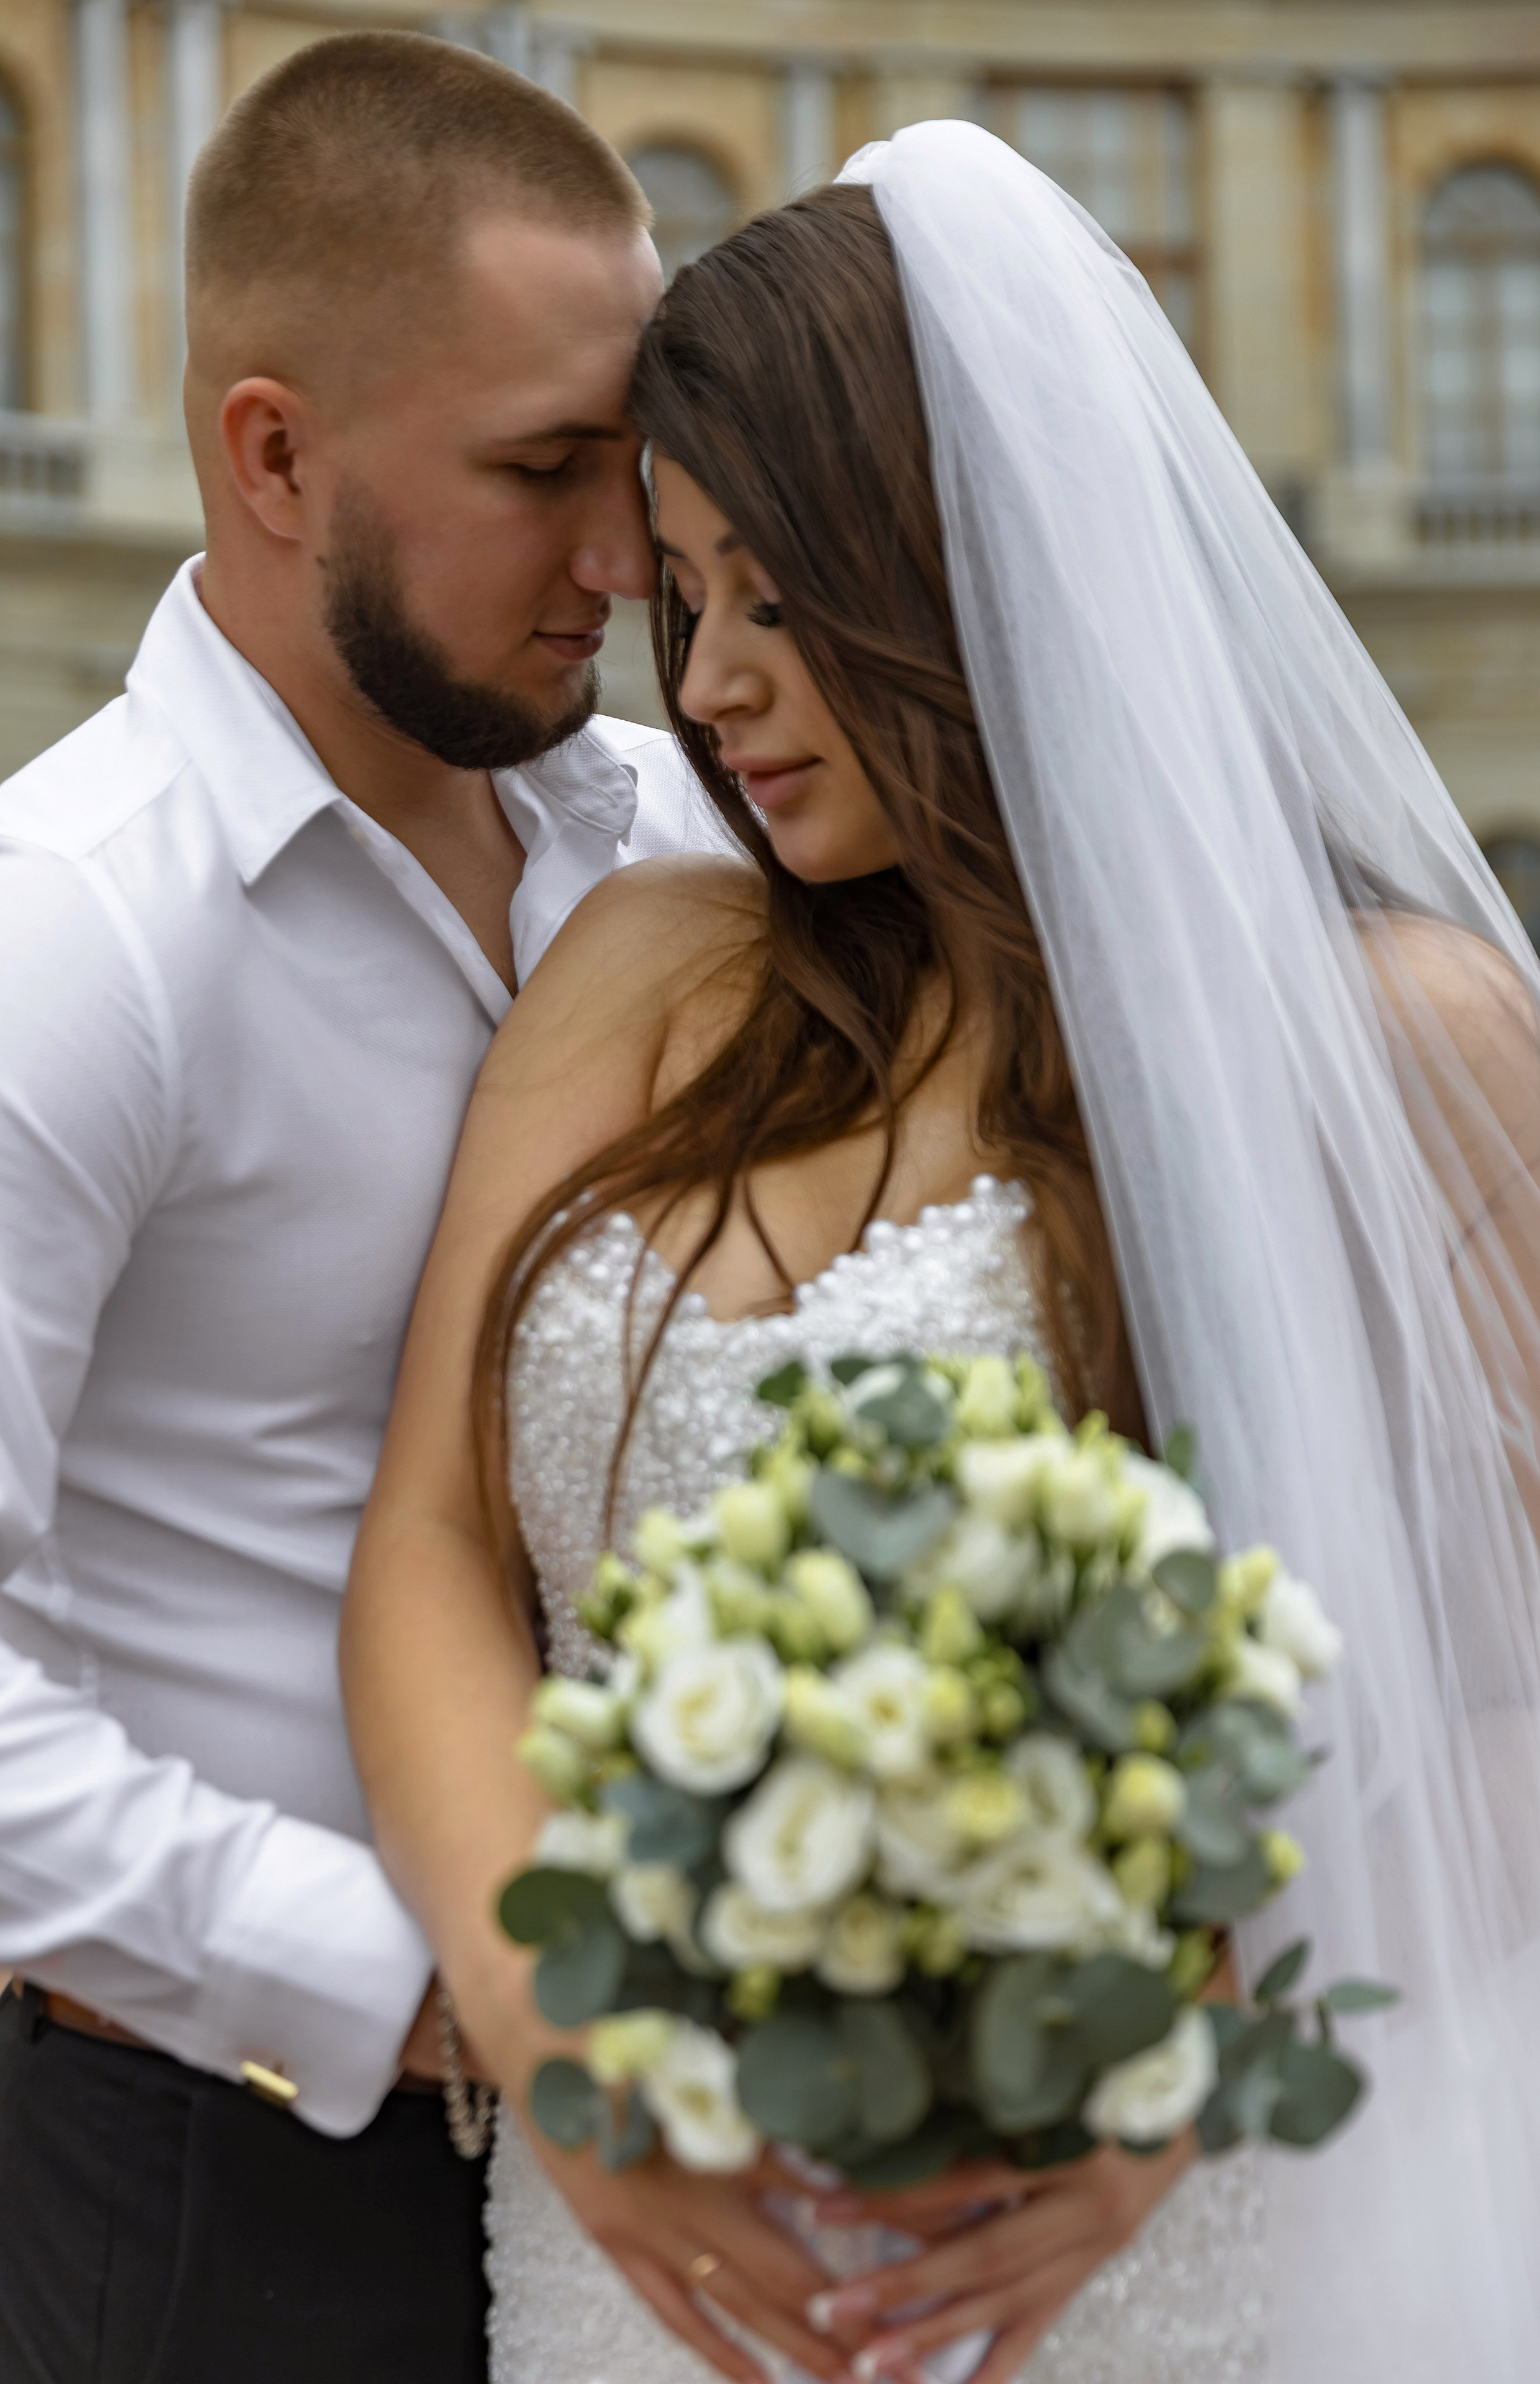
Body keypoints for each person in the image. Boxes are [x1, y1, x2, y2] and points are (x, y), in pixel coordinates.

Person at [343, 125, 1540, 2384]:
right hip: (636, 2236)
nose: (709, 682)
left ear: (974, 566)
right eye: (688, 599)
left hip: (1140, 2242)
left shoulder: (1400, 1036)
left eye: (783, 601)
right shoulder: (643, 967)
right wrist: (557, 2034)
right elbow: (430, 1534)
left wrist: (1170, 2050)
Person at [0, 31, 726, 2382]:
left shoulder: (690, 847)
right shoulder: (66, 936)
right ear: (277, 453)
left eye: (632, 465)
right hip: (206, 2190)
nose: (624, 557)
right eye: (541, 473)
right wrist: (419, 1989)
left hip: (657, 2178)